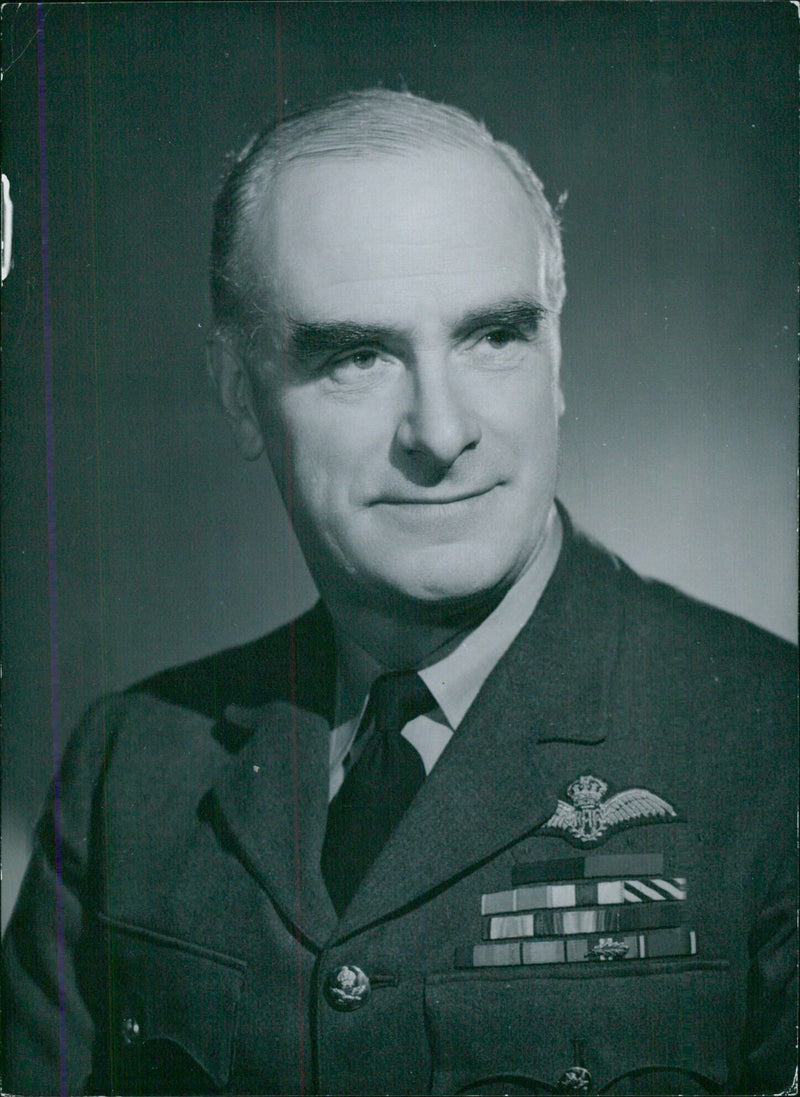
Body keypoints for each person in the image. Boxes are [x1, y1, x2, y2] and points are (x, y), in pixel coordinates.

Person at [2, 89, 796, 1097]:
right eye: (358, 355)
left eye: (493, 336)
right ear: (239, 391)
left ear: (555, 358)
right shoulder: (133, 770)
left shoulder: (772, 746)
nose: (440, 426)